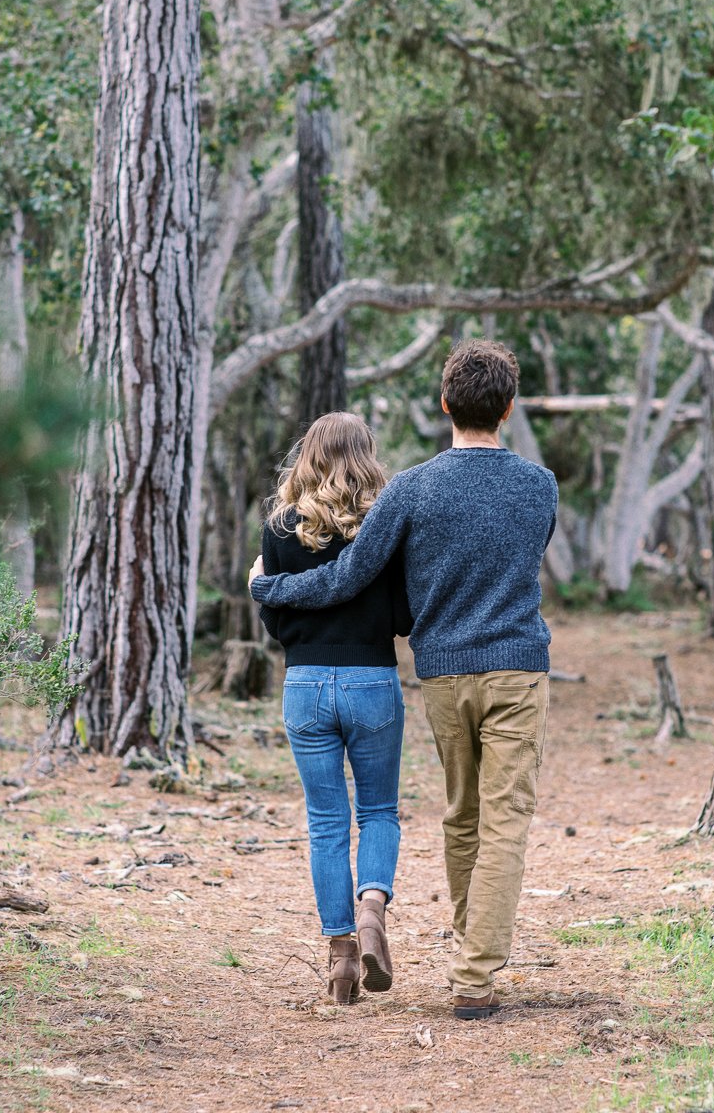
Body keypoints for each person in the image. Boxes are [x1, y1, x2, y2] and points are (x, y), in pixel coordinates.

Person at [251, 340, 556, 1020]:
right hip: (511, 672)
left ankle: (427, 955)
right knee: (498, 821)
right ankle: (472, 971)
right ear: (509, 408)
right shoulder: (540, 485)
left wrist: (271, 588)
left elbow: (350, 576)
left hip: (442, 676)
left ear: (445, 402)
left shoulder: (415, 487)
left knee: (460, 818)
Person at [257, 412, 412, 1004]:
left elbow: (275, 619)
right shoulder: (383, 525)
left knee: (326, 824)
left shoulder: (278, 526)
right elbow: (403, 618)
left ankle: (341, 956)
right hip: (372, 680)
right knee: (378, 812)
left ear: (309, 453)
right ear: (366, 457)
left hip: (305, 685)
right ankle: (373, 904)